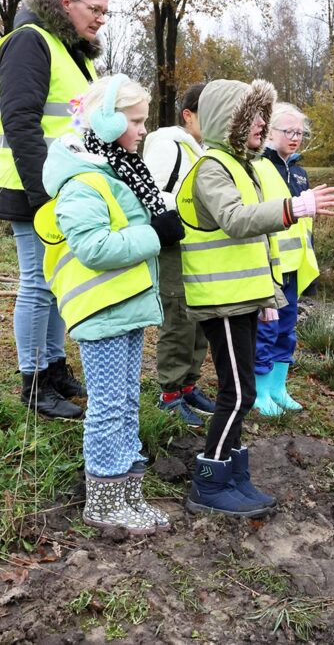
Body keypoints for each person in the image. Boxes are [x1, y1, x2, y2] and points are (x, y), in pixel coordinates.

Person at [177, 79, 334, 518]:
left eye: (262, 115)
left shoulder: (242, 166)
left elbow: (258, 244)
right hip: (222, 301)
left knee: (242, 391)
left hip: (244, 299)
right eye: (251, 115)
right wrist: (295, 206)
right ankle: (209, 481)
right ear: (224, 121)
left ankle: (233, 471)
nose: (261, 124)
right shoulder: (213, 166)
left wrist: (268, 295)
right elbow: (236, 221)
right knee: (238, 393)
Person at [36, 74, 184, 534]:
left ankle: (126, 491)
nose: (143, 131)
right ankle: (103, 500)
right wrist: (153, 235)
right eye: (136, 121)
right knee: (107, 406)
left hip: (127, 307)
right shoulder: (83, 181)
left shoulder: (118, 171)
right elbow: (94, 248)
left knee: (125, 402)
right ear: (105, 122)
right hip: (102, 312)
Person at [0, 0, 110, 419]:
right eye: (93, 9)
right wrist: (43, 195)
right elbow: (21, 121)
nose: (100, 19)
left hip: (65, 188)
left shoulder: (75, 53)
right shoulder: (29, 41)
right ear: (64, 2)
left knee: (59, 283)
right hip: (31, 188)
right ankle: (33, 381)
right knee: (38, 283)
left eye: (104, 12)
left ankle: (55, 367)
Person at [142, 83, 216, 426]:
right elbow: (149, 194)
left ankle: (188, 386)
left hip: (199, 250)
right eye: (209, 111)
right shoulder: (167, 145)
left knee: (200, 319)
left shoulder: (203, 151)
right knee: (179, 319)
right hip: (175, 248)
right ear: (188, 115)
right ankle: (170, 395)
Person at [251, 102, 321, 416]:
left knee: (287, 329)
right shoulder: (258, 167)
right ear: (269, 132)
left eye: (300, 132)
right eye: (288, 131)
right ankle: (259, 391)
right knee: (267, 327)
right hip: (270, 265)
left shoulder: (299, 172)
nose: (295, 137)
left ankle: (279, 388)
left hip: (295, 264)